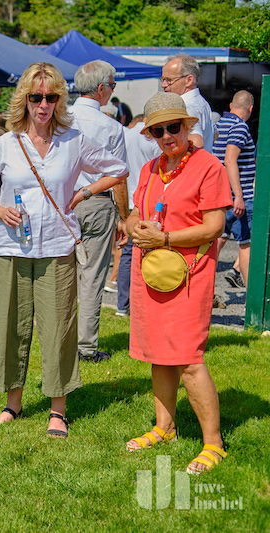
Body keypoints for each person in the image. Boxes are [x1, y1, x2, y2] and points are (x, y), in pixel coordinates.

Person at [0, 62, 127, 438]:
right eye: (36, 97)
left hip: (57, 247)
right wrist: (0, 210)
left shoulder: (73, 140)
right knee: (12, 328)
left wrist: (85, 191)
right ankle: (12, 405)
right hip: (12, 249)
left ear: (59, 99)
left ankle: (58, 410)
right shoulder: (7, 142)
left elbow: (118, 168)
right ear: (24, 99)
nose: (43, 104)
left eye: (50, 97)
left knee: (59, 330)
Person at [125, 92, 231, 475]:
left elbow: (215, 225)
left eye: (174, 127)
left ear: (188, 126)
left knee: (188, 360)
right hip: (153, 273)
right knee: (157, 352)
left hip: (190, 275)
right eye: (158, 130)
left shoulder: (208, 166)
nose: (167, 135)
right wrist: (134, 226)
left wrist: (166, 239)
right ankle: (164, 427)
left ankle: (214, 444)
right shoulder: (151, 169)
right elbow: (134, 213)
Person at [69, 60, 130, 363]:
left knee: (60, 274)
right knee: (91, 277)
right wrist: (124, 217)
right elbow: (119, 178)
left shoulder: (58, 117)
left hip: (60, 201)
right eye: (113, 85)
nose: (113, 91)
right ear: (102, 88)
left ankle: (62, 340)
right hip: (95, 201)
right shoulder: (111, 126)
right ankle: (85, 347)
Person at [116, 114, 161, 317]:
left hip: (130, 193)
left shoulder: (124, 134)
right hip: (150, 198)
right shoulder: (150, 140)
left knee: (128, 253)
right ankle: (143, 303)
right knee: (149, 250)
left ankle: (122, 305)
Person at [213, 90, 255, 290]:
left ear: (230, 105)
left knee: (216, 243)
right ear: (251, 109)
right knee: (246, 245)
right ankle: (251, 300)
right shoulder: (240, 127)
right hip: (238, 197)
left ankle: (205, 291)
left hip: (218, 197)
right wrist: (238, 195)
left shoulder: (218, 125)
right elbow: (230, 160)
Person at [161, 54, 214, 152]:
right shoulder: (202, 102)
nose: (163, 85)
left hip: (191, 166)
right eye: (163, 79)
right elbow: (215, 134)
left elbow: (197, 143)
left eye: (169, 80)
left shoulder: (186, 107)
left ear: (189, 80)